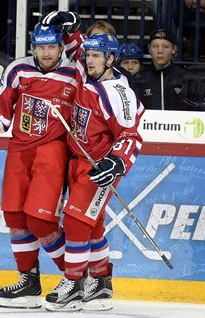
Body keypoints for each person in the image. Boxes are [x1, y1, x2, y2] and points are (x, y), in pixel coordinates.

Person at [0, 21, 80, 309]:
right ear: (33, 47)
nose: (46, 53)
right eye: (41, 47)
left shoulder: (75, 72)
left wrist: (76, 33)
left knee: (41, 220)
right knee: (14, 216)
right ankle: (28, 281)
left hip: (53, 152)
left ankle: (76, 279)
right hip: (19, 148)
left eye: (52, 46)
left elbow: (96, 63)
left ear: (61, 46)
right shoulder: (18, 69)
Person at [43, 33, 144, 312]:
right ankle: (100, 283)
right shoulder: (87, 74)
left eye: (97, 56)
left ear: (111, 59)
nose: (89, 60)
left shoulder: (117, 93)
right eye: (89, 55)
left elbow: (131, 136)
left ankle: (74, 283)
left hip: (99, 167)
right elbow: (77, 48)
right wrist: (70, 31)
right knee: (93, 225)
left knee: (76, 222)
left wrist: (117, 162)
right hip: (75, 161)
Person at [136, 28, 194, 111]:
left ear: (173, 49)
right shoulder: (140, 79)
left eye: (165, 47)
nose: (160, 51)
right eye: (155, 46)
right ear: (149, 49)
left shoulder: (185, 78)